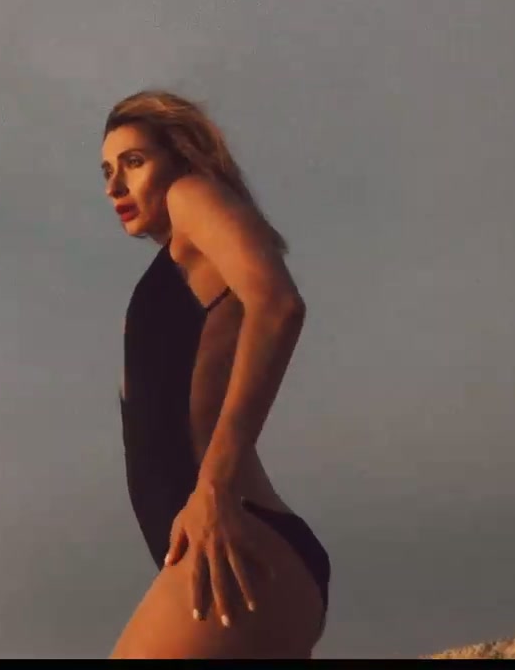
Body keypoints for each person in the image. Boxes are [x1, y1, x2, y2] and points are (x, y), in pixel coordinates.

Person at [102, 91, 331, 659]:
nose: (115, 186)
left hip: (239, 543)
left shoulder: (189, 194)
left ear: (180, 156)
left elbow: (278, 304)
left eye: (134, 162)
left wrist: (213, 487)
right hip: (222, 552)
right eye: (107, 172)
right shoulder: (174, 264)